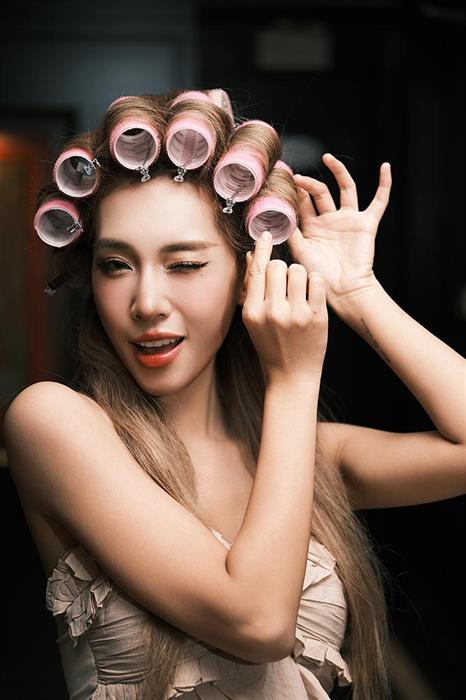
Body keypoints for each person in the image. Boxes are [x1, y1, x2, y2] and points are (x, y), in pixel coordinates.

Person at [4, 88, 465, 700]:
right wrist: (292, 379)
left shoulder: (304, 457)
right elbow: (258, 623)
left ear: (250, 275)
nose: (147, 303)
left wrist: (357, 291)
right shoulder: (51, 422)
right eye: (116, 264)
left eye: (185, 264)